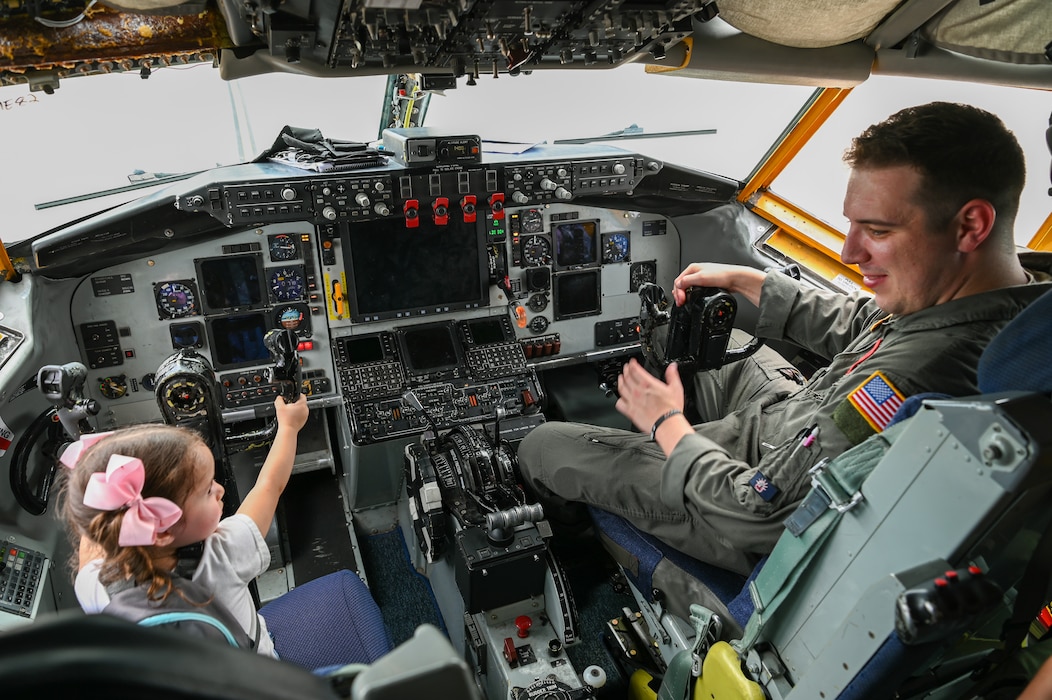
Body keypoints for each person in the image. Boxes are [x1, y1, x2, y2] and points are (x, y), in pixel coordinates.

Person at [516, 101, 1052, 576]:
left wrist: (667, 424)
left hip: (744, 505)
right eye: (851, 226)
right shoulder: (1011, 304)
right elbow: (861, 322)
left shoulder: (918, 377)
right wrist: (746, 278)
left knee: (541, 446)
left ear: (970, 226)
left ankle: (586, 554)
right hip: (793, 422)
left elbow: (757, 513)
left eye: (879, 231)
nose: (848, 252)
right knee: (691, 331)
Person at [59, 394, 310, 657]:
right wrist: (289, 427)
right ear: (164, 531)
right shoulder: (224, 554)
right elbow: (270, 486)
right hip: (265, 673)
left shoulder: (96, 582)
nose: (220, 490)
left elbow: (94, 532)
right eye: (207, 490)